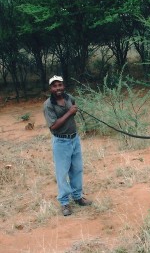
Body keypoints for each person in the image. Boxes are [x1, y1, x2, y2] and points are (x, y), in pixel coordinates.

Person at [43, 75, 92, 216]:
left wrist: (71, 111)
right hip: (61, 142)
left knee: (77, 169)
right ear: (51, 88)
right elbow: (53, 126)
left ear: (63, 86)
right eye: (55, 85)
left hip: (74, 139)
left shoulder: (69, 98)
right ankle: (64, 203)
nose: (58, 88)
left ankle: (77, 197)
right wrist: (69, 112)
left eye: (60, 85)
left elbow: (73, 113)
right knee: (62, 173)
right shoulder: (48, 105)